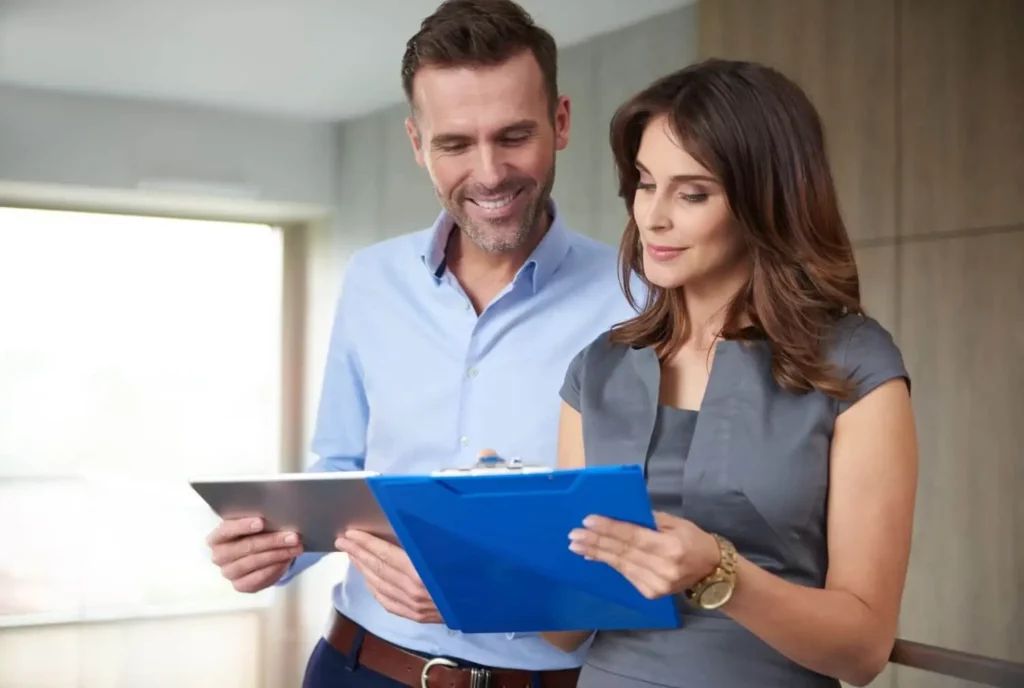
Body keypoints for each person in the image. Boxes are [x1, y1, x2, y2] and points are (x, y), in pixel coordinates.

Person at [205, 1, 637, 686]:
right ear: (417, 142)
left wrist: (489, 592)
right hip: (355, 665)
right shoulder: (372, 278)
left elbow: (647, 528)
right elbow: (343, 460)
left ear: (560, 122)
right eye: (455, 144)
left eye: (513, 135)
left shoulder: (638, 301)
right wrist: (279, 547)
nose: (490, 173)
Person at [541, 59, 919, 688]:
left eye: (692, 193)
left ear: (764, 202)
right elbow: (563, 631)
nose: (653, 217)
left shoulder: (854, 365)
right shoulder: (597, 369)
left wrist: (720, 573)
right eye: (643, 183)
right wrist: (497, 539)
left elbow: (862, 652)